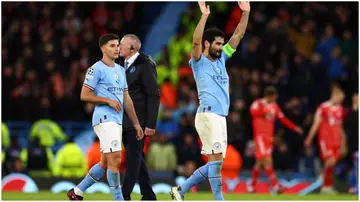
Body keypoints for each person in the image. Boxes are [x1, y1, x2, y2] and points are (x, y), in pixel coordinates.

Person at [170, 1, 250, 201]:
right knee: (215, 164)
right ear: (207, 44)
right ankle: (218, 199)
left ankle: (180, 190)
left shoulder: (222, 59)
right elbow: (195, 43)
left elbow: (238, 35)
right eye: (217, 44)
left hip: (219, 116)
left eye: (222, 44)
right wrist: (204, 16)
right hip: (208, 114)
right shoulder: (199, 61)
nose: (221, 47)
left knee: (216, 164)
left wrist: (245, 13)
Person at [67, 33, 144, 201]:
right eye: (112, 45)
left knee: (105, 163)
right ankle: (119, 198)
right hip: (103, 119)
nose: (117, 48)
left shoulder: (120, 70)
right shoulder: (96, 69)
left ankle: (77, 192)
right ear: (102, 48)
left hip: (116, 121)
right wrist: (107, 100)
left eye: (118, 45)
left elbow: (126, 99)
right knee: (116, 159)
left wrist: (136, 123)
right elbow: (84, 94)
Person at [118, 34, 160, 201]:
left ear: (132, 48)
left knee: (133, 159)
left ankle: (124, 195)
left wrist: (150, 124)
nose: (118, 47)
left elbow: (154, 95)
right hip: (124, 120)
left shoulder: (145, 64)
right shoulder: (121, 64)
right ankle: (149, 195)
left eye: (121, 44)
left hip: (138, 122)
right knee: (137, 157)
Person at [248, 86, 303, 193]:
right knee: (267, 160)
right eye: (274, 97)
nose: (275, 99)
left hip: (269, 137)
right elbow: (252, 112)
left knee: (260, 162)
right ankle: (275, 185)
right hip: (260, 136)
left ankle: (252, 186)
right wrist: (264, 112)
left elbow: (283, 119)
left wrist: (294, 127)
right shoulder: (258, 103)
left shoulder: (275, 107)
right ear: (271, 96)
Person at [304, 87, 346, 194]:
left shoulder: (340, 109)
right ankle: (324, 183)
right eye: (339, 98)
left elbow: (340, 126)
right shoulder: (323, 107)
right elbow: (316, 123)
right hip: (325, 139)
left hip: (336, 140)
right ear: (334, 96)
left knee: (332, 163)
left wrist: (343, 140)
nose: (340, 101)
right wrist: (309, 138)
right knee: (330, 160)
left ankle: (327, 186)